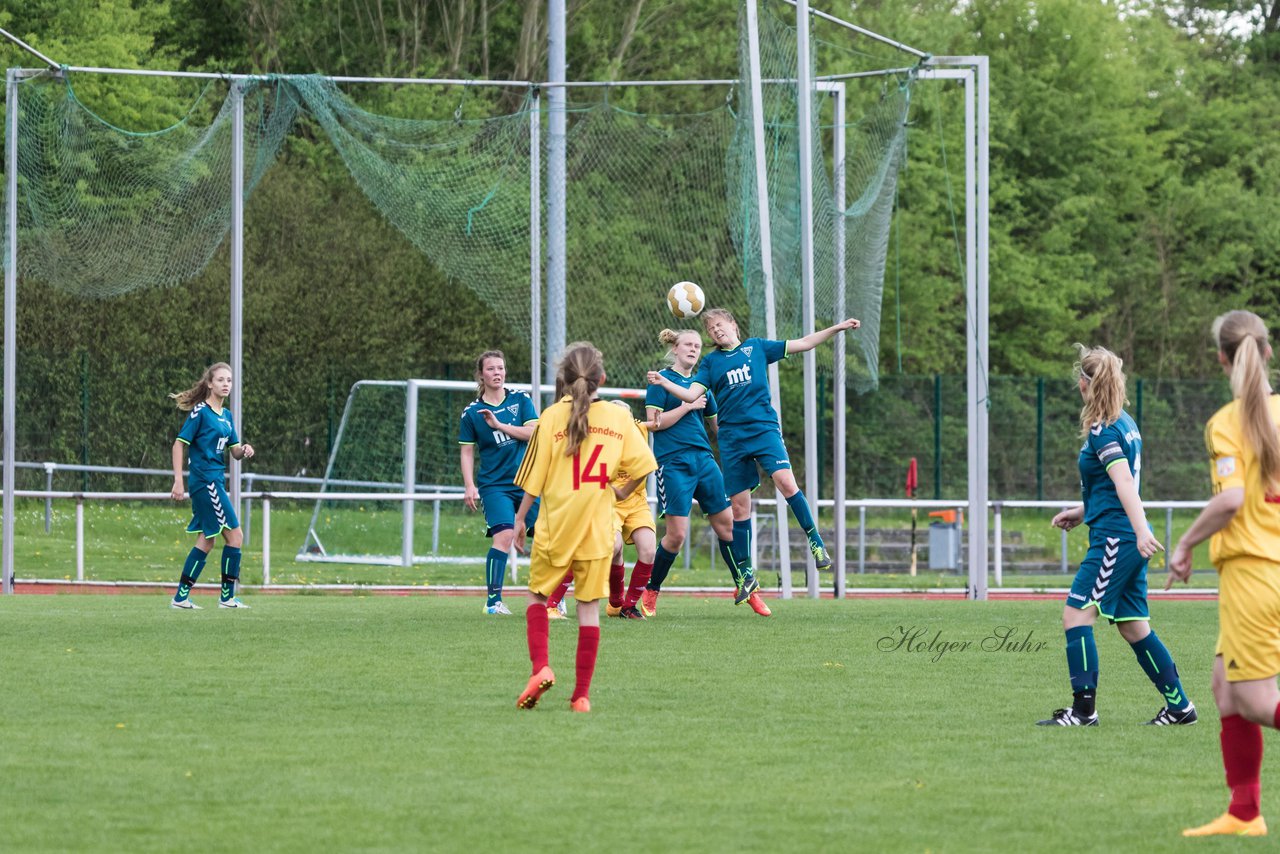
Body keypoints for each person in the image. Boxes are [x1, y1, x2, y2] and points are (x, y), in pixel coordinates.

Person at [647, 309, 859, 602]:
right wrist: (664, 382)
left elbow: (805, 343)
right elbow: (690, 395)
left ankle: (816, 541)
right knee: (739, 508)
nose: (716, 331)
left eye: (719, 325)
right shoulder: (710, 363)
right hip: (733, 440)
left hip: (763, 430)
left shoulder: (756, 347)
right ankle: (746, 574)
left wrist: (838, 327)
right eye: (711, 329)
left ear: (733, 325)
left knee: (786, 483)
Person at [1037, 345, 1194, 727]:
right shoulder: (1125, 422)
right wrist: (1082, 511)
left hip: (1116, 540)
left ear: (1083, 385)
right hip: (1121, 534)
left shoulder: (1103, 430)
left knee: (1076, 615)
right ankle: (1180, 708)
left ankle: (1083, 711)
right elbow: (1113, 487)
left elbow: (1125, 483)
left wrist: (1140, 532)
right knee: (1133, 625)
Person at [1168, 310, 1280, 838]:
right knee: (1224, 688)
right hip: (1270, 571)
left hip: (1254, 575)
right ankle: (1244, 814)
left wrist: (1186, 542)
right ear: (1267, 351)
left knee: (1258, 701)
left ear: (1221, 358)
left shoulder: (1226, 421)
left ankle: (1245, 814)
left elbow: (1232, 499)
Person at [513, 342, 657, 713]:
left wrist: (519, 519)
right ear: (602, 379)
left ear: (562, 378)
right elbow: (645, 464)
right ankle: (581, 697)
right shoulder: (619, 418)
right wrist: (621, 489)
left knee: (536, 598)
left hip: (556, 524)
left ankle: (541, 667)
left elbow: (533, 477)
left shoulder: (549, 418)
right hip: (596, 528)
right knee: (588, 611)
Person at [644, 328, 769, 617]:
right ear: (675, 348)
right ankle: (652, 589)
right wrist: (687, 408)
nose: (693, 349)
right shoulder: (661, 381)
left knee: (728, 526)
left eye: (698, 346)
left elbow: (718, 428)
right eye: (688, 344)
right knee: (676, 536)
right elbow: (653, 424)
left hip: (705, 461)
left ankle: (744, 586)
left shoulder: (704, 385)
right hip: (673, 462)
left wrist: (750, 442)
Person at [459, 350, 540, 616]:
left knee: (546, 539)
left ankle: (551, 599)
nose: (497, 373)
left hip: (528, 482)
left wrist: (500, 425)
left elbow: (533, 434)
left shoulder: (520, 399)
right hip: (495, 486)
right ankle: (493, 602)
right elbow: (467, 451)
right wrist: (469, 485)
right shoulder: (471, 414)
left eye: (501, 368)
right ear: (481, 374)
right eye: (491, 369)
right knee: (504, 536)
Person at [168, 362, 255, 610]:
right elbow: (178, 444)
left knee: (207, 540)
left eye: (229, 380)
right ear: (209, 383)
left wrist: (244, 450)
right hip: (205, 481)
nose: (226, 384)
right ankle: (227, 598)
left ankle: (181, 597)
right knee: (235, 536)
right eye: (220, 380)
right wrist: (178, 480)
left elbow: (234, 452)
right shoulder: (200, 412)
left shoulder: (226, 417)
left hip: (215, 481)